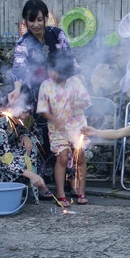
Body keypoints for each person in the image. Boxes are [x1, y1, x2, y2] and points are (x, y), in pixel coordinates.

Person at [8, 0, 80, 172]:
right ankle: (41, 177)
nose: (36, 24)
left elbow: (71, 62)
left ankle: (68, 177)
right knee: (40, 136)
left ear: (47, 17)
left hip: (61, 94)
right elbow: (19, 69)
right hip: (36, 96)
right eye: (31, 20)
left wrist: (78, 82)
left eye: (40, 19)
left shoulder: (57, 34)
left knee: (65, 134)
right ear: (25, 21)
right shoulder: (23, 43)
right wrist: (17, 90)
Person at [37, 50, 91, 206]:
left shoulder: (75, 83)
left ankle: (81, 191)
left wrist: (76, 104)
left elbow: (86, 101)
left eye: (56, 70)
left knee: (79, 157)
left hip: (77, 126)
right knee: (61, 157)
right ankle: (60, 194)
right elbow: (42, 109)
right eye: (50, 69)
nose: (52, 74)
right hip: (57, 128)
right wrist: (54, 119)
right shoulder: (45, 85)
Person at [0, 112, 48, 201]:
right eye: (24, 111)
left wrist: (26, 136)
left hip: (9, 154)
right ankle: (1, 189)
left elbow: (36, 135)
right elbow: (4, 160)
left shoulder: (23, 118)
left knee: (31, 145)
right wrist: (31, 175)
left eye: (28, 111)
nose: (26, 115)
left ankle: (26, 187)